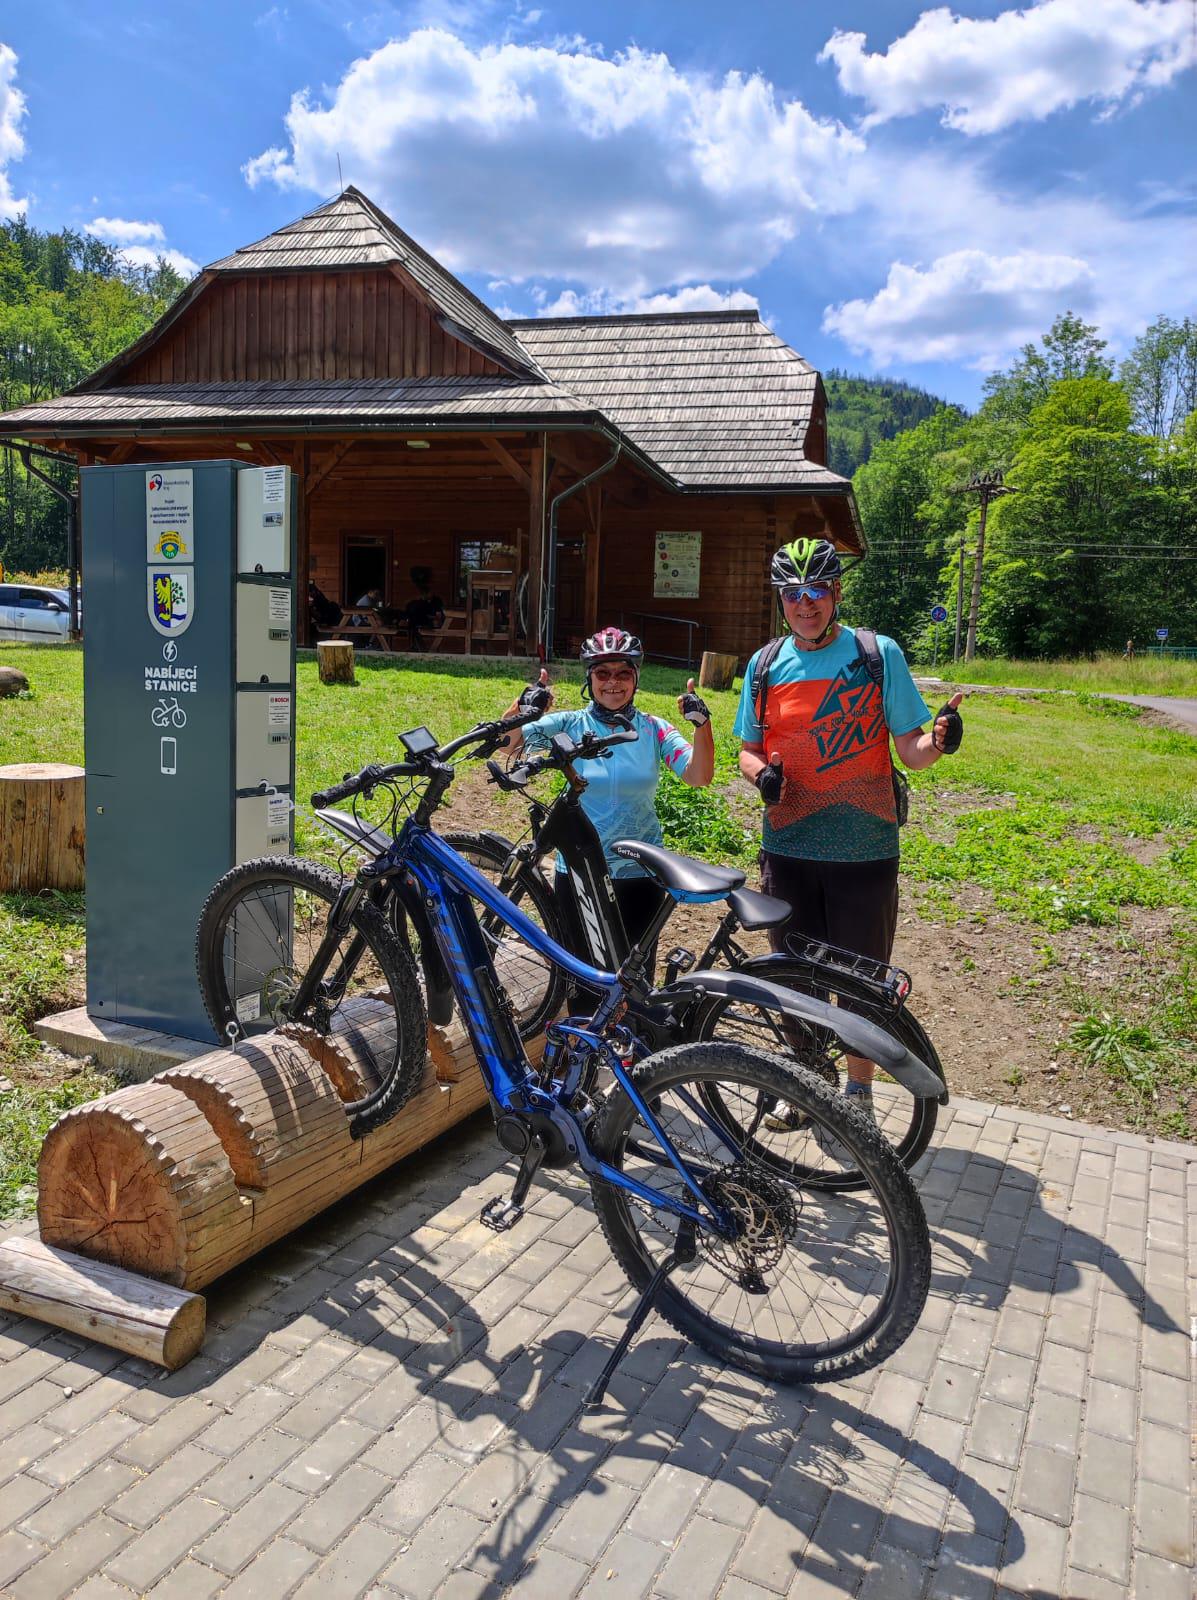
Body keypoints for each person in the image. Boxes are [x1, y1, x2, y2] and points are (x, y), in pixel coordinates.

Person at [734, 538, 964, 1127]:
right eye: (793, 593)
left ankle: (857, 1098)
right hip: (788, 845)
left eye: (816, 591)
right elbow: (748, 749)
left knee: (860, 976)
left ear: (836, 593)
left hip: (864, 844)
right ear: (781, 600)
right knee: (794, 970)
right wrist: (762, 776)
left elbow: (910, 751)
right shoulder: (763, 665)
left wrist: (936, 741)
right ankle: (810, 1084)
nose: (805, 603)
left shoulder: (875, 653)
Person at [500, 626, 714, 966]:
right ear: (590, 677)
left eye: (623, 673)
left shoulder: (653, 729)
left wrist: (702, 725)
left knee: (633, 975)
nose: (612, 682)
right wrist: (524, 707)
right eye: (602, 673)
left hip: (640, 872)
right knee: (580, 970)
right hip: (579, 868)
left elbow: (698, 775)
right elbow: (508, 743)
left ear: (636, 678)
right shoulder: (570, 723)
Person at [404, 566, 446, 649]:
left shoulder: (437, 601)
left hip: (433, 622)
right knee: (412, 623)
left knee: (415, 625)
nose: (424, 595)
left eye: (426, 593)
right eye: (423, 594)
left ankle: (421, 647)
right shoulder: (421, 602)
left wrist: (430, 617)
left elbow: (439, 616)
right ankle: (415, 646)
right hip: (421, 621)